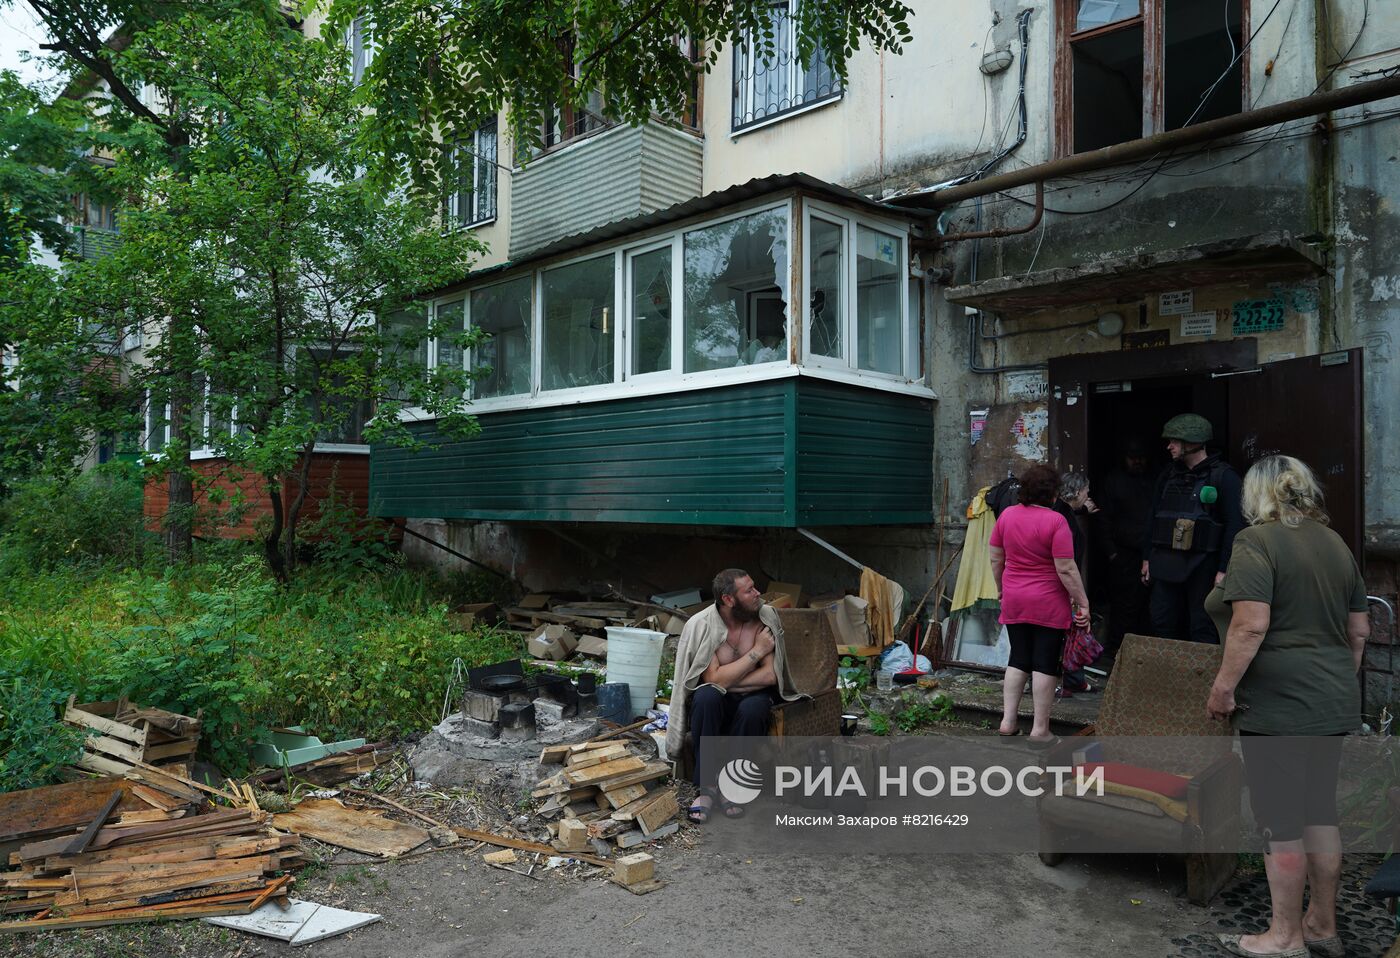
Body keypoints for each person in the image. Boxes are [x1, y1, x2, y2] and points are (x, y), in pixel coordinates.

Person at [1205, 456, 1370, 958]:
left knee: (1281, 823)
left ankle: (1284, 937)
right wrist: (1335, 679)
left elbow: (1251, 625)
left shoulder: (1256, 541)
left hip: (1279, 706)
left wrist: (1223, 688)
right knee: (1320, 812)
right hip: (1331, 700)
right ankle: (1321, 925)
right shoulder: (1334, 543)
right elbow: (1359, 631)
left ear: (1256, 495)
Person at [663, 568, 803, 823]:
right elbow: (711, 681)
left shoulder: (765, 617)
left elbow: (770, 676)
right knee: (706, 698)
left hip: (753, 698)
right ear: (729, 599)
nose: (758, 593)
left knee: (753, 709)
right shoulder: (703, 625)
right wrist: (757, 651)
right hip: (715, 702)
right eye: (749, 590)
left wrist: (726, 679)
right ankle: (706, 789)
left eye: (754, 587)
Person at [989, 464, 1091, 746]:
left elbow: (997, 558)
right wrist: (1083, 603)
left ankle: (1008, 722)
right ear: (1054, 494)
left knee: (1018, 658)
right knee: (1044, 664)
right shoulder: (1056, 522)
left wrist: (1001, 589)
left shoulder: (1007, 516)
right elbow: (1067, 569)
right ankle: (1040, 730)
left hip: (1015, 597)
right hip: (1048, 600)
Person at [1142, 413, 1244, 644]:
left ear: (1192, 442)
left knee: (1202, 626)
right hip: (1165, 563)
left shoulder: (1223, 477)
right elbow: (1153, 517)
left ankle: (1200, 680)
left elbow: (1235, 526)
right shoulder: (1168, 475)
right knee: (1161, 622)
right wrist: (1146, 557)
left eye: (1174, 441)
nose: (1169, 446)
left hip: (1203, 565)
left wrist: (1224, 569)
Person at [1098, 437, 1155, 656]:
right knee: (1123, 606)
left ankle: (1144, 651)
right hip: (1123, 553)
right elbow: (1103, 520)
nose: (1137, 462)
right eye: (1133, 458)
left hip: (1149, 552)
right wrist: (1111, 552)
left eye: (1141, 458)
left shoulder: (1153, 479)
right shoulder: (1114, 481)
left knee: (1150, 606)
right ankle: (1119, 651)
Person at [1054, 471, 1098, 695]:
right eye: (1086, 491)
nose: (1088, 494)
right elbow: (1065, 563)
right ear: (1077, 491)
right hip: (1063, 583)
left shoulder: (1064, 510)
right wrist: (1076, 595)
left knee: (1072, 632)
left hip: (1065, 582)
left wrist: (1082, 510)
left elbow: (1069, 512)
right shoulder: (1060, 516)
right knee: (1068, 632)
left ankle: (1073, 678)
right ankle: (1066, 680)